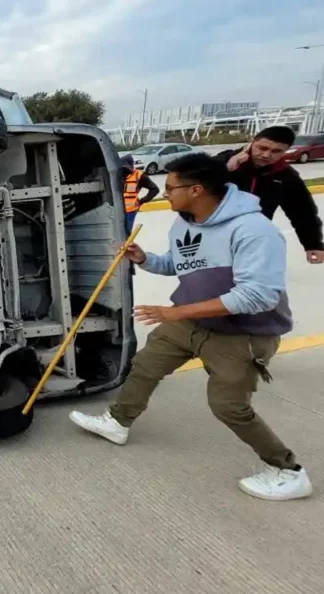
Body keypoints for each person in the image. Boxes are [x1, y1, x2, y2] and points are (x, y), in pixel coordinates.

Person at [69, 152, 311, 501]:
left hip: (241, 334)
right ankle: (118, 422)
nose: (165, 193)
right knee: (145, 365)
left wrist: (175, 313)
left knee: (229, 406)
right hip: (191, 320)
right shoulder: (183, 222)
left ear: (196, 190)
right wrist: (146, 259)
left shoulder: (254, 231)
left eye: (171, 187)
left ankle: (288, 471)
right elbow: (178, 264)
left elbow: (259, 296)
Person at [215, 125, 323, 264]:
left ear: (286, 151)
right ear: (252, 142)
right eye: (262, 148)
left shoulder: (285, 176)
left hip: (251, 239)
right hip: (213, 235)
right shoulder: (225, 160)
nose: (266, 155)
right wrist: (226, 168)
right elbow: (190, 182)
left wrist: (313, 244)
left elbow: (302, 212)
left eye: (276, 151)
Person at [120, 154, 159, 235]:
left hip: (130, 211)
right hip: (117, 209)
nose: (124, 170)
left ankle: (126, 246)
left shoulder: (139, 175)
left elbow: (155, 190)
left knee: (126, 233)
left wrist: (141, 201)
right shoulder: (117, 174)